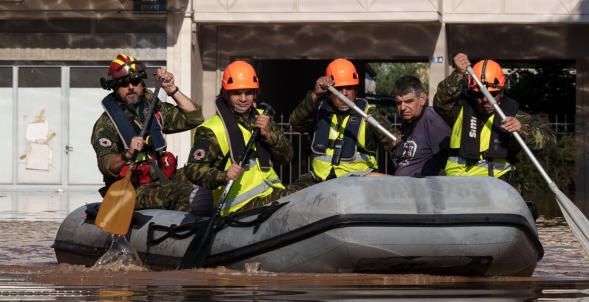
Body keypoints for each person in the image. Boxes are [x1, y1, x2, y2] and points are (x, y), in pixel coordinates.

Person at [433, 54, 556, 213]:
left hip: (497, 192)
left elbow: (550, 143)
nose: (485, 99)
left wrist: (522, 130)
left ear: (502, 91)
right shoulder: (458, 111)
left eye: (492, 93)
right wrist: (457, 74)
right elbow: (440, 102)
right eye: (479, 94)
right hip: (456, 189)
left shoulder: (516, 117)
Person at [184, 61, 302, 215]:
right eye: (236, 93)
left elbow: (287, 157)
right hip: (238, 207)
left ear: (255, 93)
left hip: (270, 193)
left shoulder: (263, 118)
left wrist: (268, 135)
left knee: (309, 192)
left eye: (248, 92)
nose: (243, 98)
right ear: (225, 93)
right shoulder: (212, 130)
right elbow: (193, 169)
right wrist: (223, 175)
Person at [91, 54, 203, 212]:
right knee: (179, 194)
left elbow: (195, 118)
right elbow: (105, 164)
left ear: (142, 84)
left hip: (162, 179)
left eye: (135, 81)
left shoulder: (154, 110)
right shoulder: (106, 124)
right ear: (115, 87)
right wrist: (127, 154)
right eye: (123, 83)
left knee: (203, 173)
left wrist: (171, 89)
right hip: (132, 189)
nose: (130, 87)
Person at [288, 59, 397, 186]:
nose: (344, 93)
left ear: (356, 90)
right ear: (329, 92)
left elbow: (395, 143)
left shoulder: (369, 115)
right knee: (288, 199)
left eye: (349, 88)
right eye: (338, 88)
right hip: (319, 181)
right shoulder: (319, 111)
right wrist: (316, 94)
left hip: (356, 183)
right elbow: (295, 123)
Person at [389, 75, 450, 177]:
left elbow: (449, 158)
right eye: (398, 102)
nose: (403, 107)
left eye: (408, 101)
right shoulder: (407, 122)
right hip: (403, 185)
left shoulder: (432, 120)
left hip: (422, 189)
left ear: (422, 99)